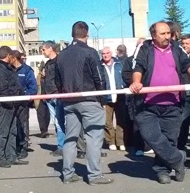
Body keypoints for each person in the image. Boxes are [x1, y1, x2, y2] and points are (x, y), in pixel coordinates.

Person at [130, 21, 190, 184]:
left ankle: (163, 170)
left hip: (173, 103)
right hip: (148, 104)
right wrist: (136, 82)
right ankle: (178, 158)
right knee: (150, 135)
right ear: (153, 35)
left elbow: (189, 65)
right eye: (163, 34)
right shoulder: (145, 49)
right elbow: (138, 67)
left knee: (169, 139)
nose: (167, 37)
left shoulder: (176, 49)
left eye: (168, 33)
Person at [55, 21, 112, 184]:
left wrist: (63, 96)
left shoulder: (62, 55)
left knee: (71, 137)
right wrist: (102, 99)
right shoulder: (90, 52)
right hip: (89, 99)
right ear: (86, 34)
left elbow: (57, 80)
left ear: (72, 34)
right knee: (94, 137)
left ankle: (67, 174)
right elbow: (99, 77)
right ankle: (94, 175)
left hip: (69, 101)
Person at [0, 46, 27, 168]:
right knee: (3, 131)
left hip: (11, 104)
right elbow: (1, 89)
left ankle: (11, 156)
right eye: (12, 56)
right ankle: (1, 158)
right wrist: (10, 103)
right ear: (8, 56)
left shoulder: (6, 68)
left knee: (12, 131)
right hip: (5, 105)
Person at [40, 41, 65, 156]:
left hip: (58, 95)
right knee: (56, 122)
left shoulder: (60, 61)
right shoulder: (48, 63)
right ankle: (61, 145)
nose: (42, 52)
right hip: (49, 96)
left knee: (60, 122)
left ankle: (62, 147)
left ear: (50, 48)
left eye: (43, 50)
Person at [99, 46, 126, 151]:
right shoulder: (99, 66)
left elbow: (124, 77)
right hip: (106, 97)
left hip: (119, 96)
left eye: (107, 53)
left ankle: (120, 141)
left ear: (111, 54)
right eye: (103, 53)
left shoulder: (119, 64)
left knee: (121, 120)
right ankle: (111, 141)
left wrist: (123, 87)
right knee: (107, 121)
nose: (105, 55)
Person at [14, 51, 38, 159]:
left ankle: (23, 147)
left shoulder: (27, 70)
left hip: (23, 103)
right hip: (11, 103)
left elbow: (33, 88)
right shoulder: (9, 69)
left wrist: (25, 96)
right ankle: (14, 147)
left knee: (23, 124)